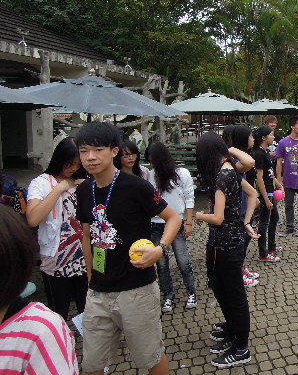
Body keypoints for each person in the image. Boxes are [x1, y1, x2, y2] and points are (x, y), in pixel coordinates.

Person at [75, 122, 181, 375]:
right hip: (98, 292)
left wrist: (160, 249)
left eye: (98, 149)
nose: (90, 157)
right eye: (84, 151)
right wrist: (90, 276)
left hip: (137, 290)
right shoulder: (83, 190)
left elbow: (173, 218)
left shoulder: (137, 186)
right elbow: (87, 236)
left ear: (114, 151)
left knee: (150, 358)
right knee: (91, 363)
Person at [195, 132, 259, 368]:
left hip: (227, 244)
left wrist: (199, 216)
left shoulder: (224, 174)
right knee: (221, 289)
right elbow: (252, 194)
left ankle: (241, 348)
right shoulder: (228, 171)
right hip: (222, 243)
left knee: (234, 296)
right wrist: (246, 221)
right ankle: (232, 333)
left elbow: (218, 217)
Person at [0, 204, 78, 374]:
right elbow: (33, 219)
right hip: (55, 266)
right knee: (61, 305)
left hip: (78, 263)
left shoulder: (39, 331)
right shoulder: (42, 185)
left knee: (80, 308)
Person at [25, 137, 88, 322]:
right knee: (57, 311)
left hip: (84, 258)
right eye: (70, 163)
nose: (73, 169)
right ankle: (59, 343)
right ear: (59, 158)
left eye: (78, 164)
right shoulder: (41, 183)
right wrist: (60, 188)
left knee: (87, 309)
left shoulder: (83, 181)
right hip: (56, 260)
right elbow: (33, 219)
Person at [145, 141, 197, 313]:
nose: (152, 164)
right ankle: (168, 295)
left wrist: (188, 222)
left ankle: (192, 291)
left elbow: (189, 198)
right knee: (161, 264)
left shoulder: (181, 173)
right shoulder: (150, 175)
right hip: (156, 225)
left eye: (154, 160)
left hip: (177, 224)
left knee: (183, 260)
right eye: (150, 160)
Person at [223, 125, 260, 287]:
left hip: (246, 206)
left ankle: (241, 267)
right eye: (251, 136)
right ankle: (237, 274)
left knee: (244, 243)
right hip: (238, 208)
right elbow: (250, 163)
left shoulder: (241, 156)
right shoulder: (234, 160)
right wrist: (230, 148)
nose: (253, 139)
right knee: (240, 243)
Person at [253, 126, 284, 262]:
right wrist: (266, 198)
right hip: (265, 193)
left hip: (271, 190)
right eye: (271, 135)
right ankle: (263, 253)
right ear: (263, 138)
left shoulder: (265, 152)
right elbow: (259, 178)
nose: (273, 137)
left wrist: (278, 183)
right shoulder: (259, 154)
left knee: (274, 218)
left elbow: (269, 173)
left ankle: (271, 246)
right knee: (263, 223)